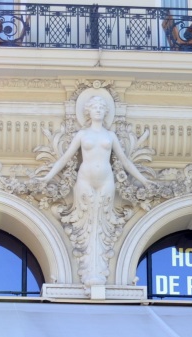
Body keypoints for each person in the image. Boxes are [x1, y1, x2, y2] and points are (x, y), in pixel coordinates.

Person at [42, 91, 150, 285]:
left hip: (106, 180)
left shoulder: (110, 135)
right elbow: (66, 158)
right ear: (88, 112)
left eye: (101, 108)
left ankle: (98, 270)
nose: (98, 110)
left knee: (103, 220)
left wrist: (144, 180)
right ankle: (88, 269)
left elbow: (124, 160)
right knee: (87, 222)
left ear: (106, 111)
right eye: (95, 108)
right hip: (85, 179)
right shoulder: (83, 134)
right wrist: (48, 177)